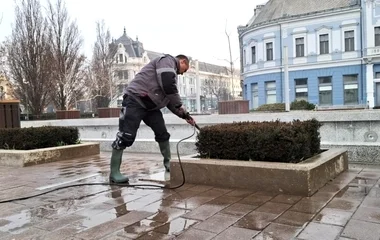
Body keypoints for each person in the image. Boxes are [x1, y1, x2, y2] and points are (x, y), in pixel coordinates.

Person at [109, 54, 195, 183]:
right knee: (125, 136)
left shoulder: (171, 73)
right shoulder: (167, 61)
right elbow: (168, 86)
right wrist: (180, 105)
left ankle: (168, 166)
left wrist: (184, 115)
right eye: (185, 69)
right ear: (182, 61)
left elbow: (170, 100)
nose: (183, 73)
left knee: (162, 134)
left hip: (151, 107)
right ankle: (114, 173)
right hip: (135, 100)